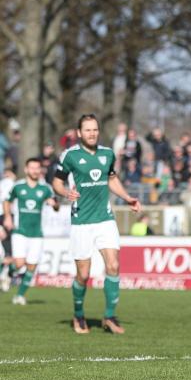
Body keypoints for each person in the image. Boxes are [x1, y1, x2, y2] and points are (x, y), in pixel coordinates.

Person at [52, 114, 142, 334]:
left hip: (105, 219)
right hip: (82, 220)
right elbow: (56, 182)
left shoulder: (107, 154)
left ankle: (110, 316)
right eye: (88, 130)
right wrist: (65, 192)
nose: (92, 133)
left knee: (113, 265)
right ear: (79, 133)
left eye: (95, 129)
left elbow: (111, 179)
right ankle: (79, 315)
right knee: (83, 274)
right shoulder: (69, 156)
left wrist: (128, 197)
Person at [3, 158, 59, 305]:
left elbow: (56, 205)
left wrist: (54, 204)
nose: (35, 170)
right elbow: (7, 201)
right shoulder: (18, 186)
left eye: (37, 168)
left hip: (37, 234)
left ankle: (19, 296)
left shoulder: (45, 188)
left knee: (32, 266)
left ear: (40, 170)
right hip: (20, 231)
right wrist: (8, 217)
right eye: (32, 168)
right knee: (20, 263)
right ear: (26, 170)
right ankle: (9, 271)